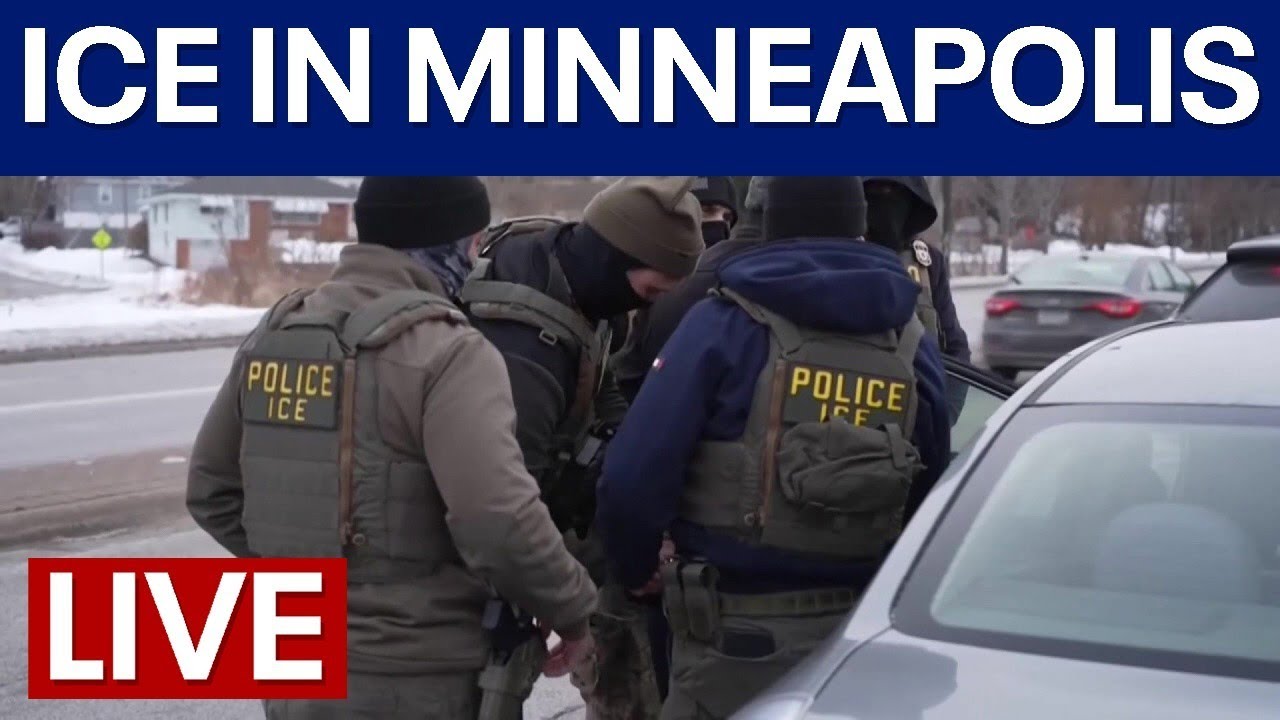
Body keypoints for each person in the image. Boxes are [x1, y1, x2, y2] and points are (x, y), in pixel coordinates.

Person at [186, 176, 598, 720]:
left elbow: (211, 490)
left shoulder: (280, 330)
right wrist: (572, 608)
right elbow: (497, 516)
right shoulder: (449, 349)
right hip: (414, 674)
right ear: (456, 244)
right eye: (475, 245)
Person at [595, 176, 952, 720]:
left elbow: (632, 478)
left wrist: (636, 566)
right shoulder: (911, 341)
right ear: (859, 228)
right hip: (857, 643)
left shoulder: (721, 324)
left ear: (768, 226)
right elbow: (935, 491)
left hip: (730, 643)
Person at [455, 176, 705, 720]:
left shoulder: (576, 281)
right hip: (455, 568)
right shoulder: (524, 347)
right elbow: (507, 508)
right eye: (651, 293)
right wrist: (567, 600)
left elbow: (603, 379)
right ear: (615, 258)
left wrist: (628, 449)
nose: (651, 306)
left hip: (498, 527)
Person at [612, 176, 741, 403]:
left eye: (727, 217)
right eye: (707, 211)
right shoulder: (639, 286)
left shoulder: (737, 288)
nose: (720, 225)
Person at [862, 176, 971, 363]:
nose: (884, 201)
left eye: (893, 191)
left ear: (911, 199)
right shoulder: (840, 255)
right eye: (874, 190)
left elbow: (954, 346)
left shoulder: (928, 262)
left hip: (923, 379)